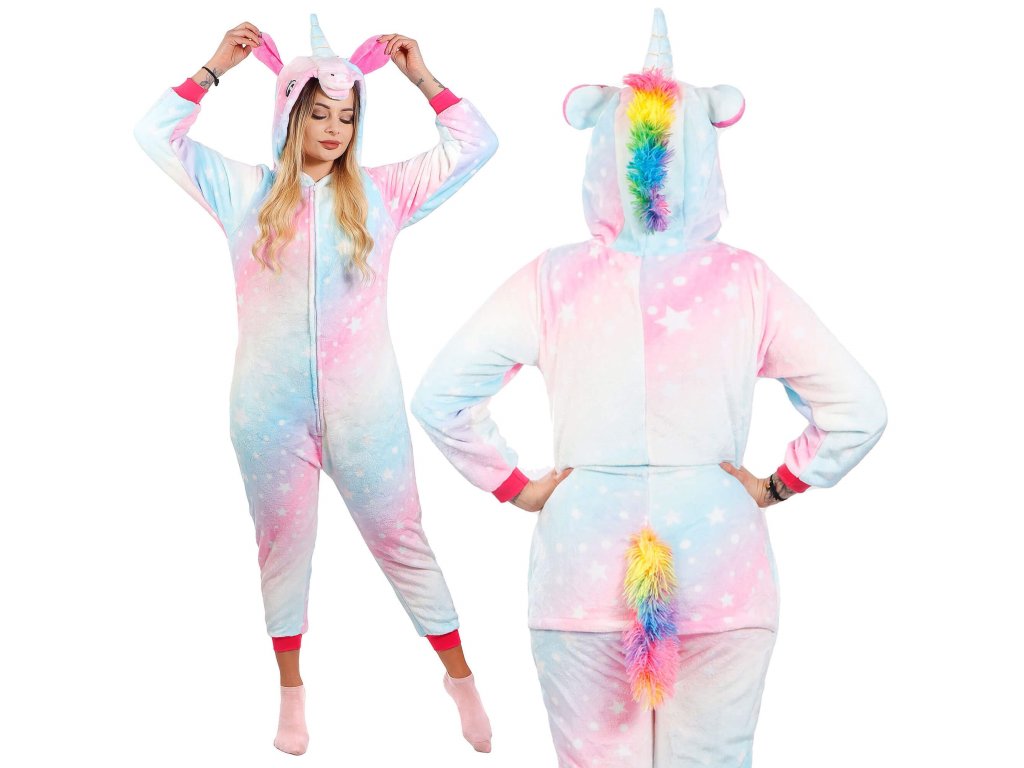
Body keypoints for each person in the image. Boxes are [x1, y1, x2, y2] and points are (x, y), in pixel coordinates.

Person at [410, 8, 886, 767]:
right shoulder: (744, 281)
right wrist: (777, 484)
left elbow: (441, 397)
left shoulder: (552, 279)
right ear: (707, 152)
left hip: (582, 560)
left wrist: (515, 486)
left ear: (600, 149)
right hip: (720, 559)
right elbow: (857, 409)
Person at [134, 14, 496, 757]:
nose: (335, 130)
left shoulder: (385, 194)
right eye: (321, 114)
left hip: (367, 410)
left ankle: (461, 680)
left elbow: (478, 144)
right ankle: (292, 696)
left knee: (403, 541)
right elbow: (153, 132)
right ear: (289, 114)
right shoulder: (242, 190)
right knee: (281, 550)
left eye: (348, 116)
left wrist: (422, 78)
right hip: (268, 412)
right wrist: (214, 67)